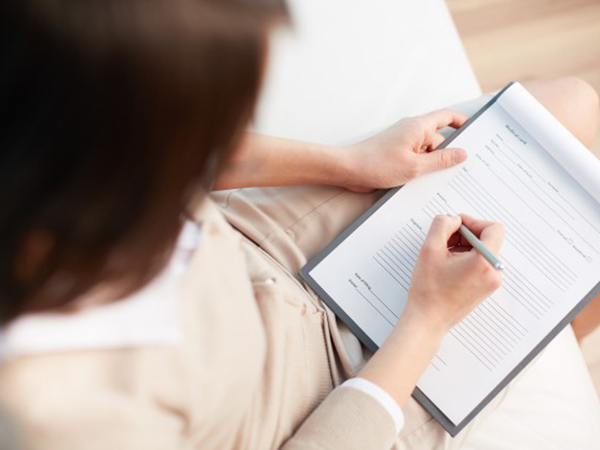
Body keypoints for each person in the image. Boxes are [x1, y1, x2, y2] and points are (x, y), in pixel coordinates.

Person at [0, 1, 599, 449]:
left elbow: (179, 150)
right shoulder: (61, 417)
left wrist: (350, 162)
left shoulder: (47, 124)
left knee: (573, 107)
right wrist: (426, 324)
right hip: (315, 404)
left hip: (259, 245)